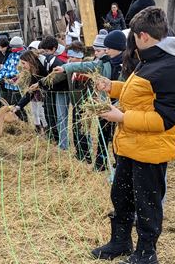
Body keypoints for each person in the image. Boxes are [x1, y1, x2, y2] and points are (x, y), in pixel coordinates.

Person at [92, 7, 175, 264]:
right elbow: (140, 95)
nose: (131, 42)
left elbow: (164, 119)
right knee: (121, 196)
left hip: (150, 150)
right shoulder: (149, 62)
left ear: (143, 36)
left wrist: (121, 118)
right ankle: (120, 242)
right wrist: (111, 87)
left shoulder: (171, 69)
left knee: (147, 204)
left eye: (133, 37)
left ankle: (146, 255)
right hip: (131, 147)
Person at [52, 29, 125, 170]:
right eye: (96, 51)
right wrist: (66, 67)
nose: (97, 53)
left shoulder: (127, 63)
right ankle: (100, 163)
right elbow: (86, 66)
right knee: (102, 134)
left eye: (101, 50)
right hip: (105, 104)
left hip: (121, 106)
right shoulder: (103, 62)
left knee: (117, 136)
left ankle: (119, 164)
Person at [37, 35, 69, 150]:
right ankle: (57, 139)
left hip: (62, 90)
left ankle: (63, 144)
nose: (45, 53)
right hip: (52, 90)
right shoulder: (48, 59)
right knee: (53, 114)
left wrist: (41, 83)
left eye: (47, 51)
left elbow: (57, 77)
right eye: (43, 51)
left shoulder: (58, 61)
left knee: (61, 117)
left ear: (54, 49)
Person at [15, 50, 48, 134]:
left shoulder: (41, 69)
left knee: (42, 113)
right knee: (35, 112)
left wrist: (39, 86)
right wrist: (19, 106)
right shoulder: (33, 72)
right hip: (39, 94)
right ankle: (39, 131)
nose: (22, 66)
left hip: (46, 95)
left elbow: (47, 82)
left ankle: (48, 132)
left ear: (30, 61)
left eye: (23, 63)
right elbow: (30, 91)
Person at [0, 36, 27, 120]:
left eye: (13, 47)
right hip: (9, 85)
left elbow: (19, 71)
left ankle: (23, 121)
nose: (12, 49)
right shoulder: (11, 55)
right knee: (9, 105)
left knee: (18, 106)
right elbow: (5, 67)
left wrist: (7, 75)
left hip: (18, 86)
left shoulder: (23, 56)